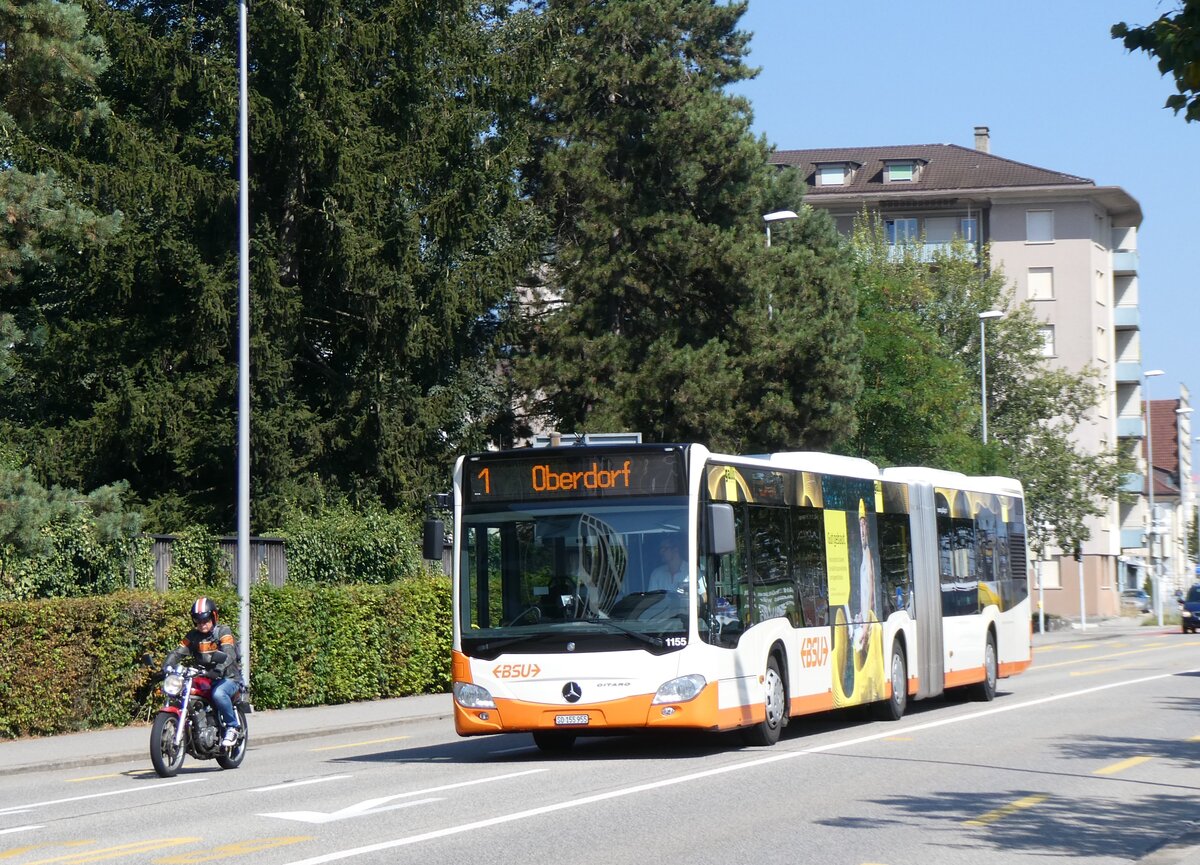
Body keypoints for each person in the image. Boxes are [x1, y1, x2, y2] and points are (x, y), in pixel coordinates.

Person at [164, 597, 243, 747]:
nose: (202, 624)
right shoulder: (193, 636)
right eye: (198, 621)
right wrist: (165, 666)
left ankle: (232, 727)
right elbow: (178, 652)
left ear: (213, 617)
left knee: (218, 694)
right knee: (183, 691)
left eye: (205, 619)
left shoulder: (223, 632)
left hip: (228, 677)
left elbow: (229, 653)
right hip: (205, 676)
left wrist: (218, 669)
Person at [649, 536, 707, 605]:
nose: (661, 552)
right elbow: (651, 599)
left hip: (687, 613)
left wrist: (693, 601)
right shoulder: (657, 574)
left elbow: (704, 596)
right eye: (660, 549)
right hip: (662, 614)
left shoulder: (692, 570)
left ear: (675, 549)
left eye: (664, 549)